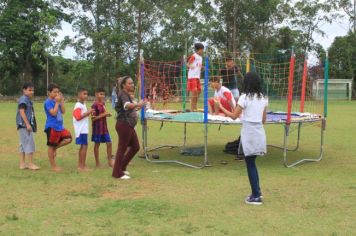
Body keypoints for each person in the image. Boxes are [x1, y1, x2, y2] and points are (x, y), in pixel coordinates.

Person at [215, 72, 268, 205]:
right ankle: (257, 192)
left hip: (249, 132)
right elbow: (263, 120)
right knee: (252, 163)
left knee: (250, 164)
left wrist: (221, 107)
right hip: (259, 132)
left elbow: (234, 116)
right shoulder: (264, 98)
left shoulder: (244, 97)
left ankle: (256, 195)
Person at [112, 76, 145, 179]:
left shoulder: (126, 94)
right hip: (124, 124)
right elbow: (127, 106)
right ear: (123, 85)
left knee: (135, 147)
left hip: (129, 125)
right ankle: (117, 173)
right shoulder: (123, 94)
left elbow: (129, 107)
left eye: (132, 83)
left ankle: (122, 167)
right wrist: (138, 104)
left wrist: (138, 106)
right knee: (122, 148)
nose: (132, 85)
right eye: (129, 83)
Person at [44, 83, 72, 172]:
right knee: (51, 146)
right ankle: (53, 166)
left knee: (69, 138)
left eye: (58, 92)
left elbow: (63, 111)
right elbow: (53, 113)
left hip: (60, 127)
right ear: (49, 92)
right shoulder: (48, 102)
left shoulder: (58, 100)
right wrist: (57, 102)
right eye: (55, 92)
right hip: (52, 127)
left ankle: (55, 148)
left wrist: (62, 101)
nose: (57, 94)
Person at [16, 82, 40, 170]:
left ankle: (22, 164)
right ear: (24, 90)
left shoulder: (26, 99)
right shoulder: (24, 99)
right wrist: (27, 124)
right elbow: (21, 111)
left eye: (33, 90)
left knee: (23, 144)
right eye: (29, 90)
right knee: (29, 142)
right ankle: (30, 164)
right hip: (24, 125)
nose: (32, 92)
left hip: (22, 125)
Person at [91, 88, 115, 168]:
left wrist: (107, 114)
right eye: (100, 94)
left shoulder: (103, 103)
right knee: (97, 144)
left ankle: (109, 161)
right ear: (96, 94)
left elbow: (103, 113)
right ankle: (97, 163)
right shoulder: (94, 105)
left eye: (103, 94)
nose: (102, 96)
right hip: (97, 128)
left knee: (109, 143)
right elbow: (93, 118)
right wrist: (104, 115)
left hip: (104, 128)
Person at [73, 88, 94, 171]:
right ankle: (82, 167)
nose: (86, 96)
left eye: (87, 94)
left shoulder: (83, 104)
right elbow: (77, 117)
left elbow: (82, 115)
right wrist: (88, 112)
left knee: (83, 146)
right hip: (81, 130)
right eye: (84, 94)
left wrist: (88, 112)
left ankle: (80, 165)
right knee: (84, 146)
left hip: (83, 129)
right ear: (79, 95)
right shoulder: (78, 105)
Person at [187, 42, 204, 111]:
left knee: (199, 91)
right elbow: (188, 64)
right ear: (199, 50)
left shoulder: (201, 58)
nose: (203, 51)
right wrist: (190, 66)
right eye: (202, 49)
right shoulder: (194, 56)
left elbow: (198, 65)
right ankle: (192, 108)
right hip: (192, 76)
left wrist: (203, 67)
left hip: (197, 77)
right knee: (195, 91)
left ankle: (194, 105)